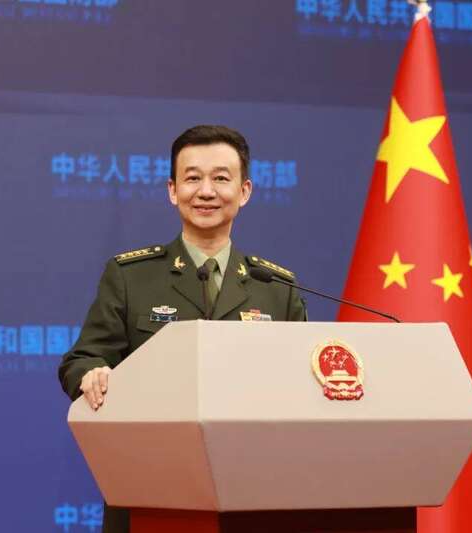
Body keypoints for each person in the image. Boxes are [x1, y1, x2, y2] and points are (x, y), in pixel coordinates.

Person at [58, 124, 307, 533]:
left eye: (221, 178)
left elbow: (300, 389)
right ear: (173, 191)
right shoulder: (131, 276)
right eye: (192, 178)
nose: (206, 191)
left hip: (252, 489)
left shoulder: (276, 287)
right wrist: (91, 374)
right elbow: (82, 359)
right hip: (150, 486)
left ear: (245, 191)